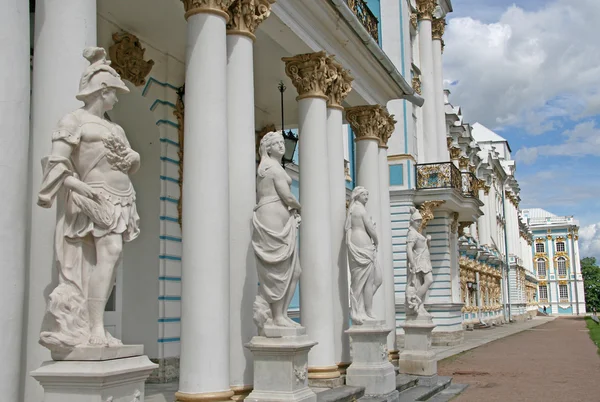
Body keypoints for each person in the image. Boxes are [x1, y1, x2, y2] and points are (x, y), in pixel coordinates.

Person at [37, 47, 140, 351]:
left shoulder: (116, 127)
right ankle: (95, 326)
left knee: (111, 258)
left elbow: (131, 162)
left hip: (122, 197)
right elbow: (54, 164)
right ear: (102, 90)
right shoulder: (73, 121)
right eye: (114, 93)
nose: (116, 99)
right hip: (95, 196)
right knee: (109, 253)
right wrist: (79, 188)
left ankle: (94, 324)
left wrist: (133, 157)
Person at [252, 131, 302, 332]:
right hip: (271, 220)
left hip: (281, 221)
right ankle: (277, 315)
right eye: (277, 143)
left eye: (283, 142)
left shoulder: (274, 166)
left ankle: (280, 314)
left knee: (295, 271)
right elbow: (287, 196)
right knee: (276, 270)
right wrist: (300, 207)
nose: (282, 146)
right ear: (268, 147)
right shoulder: (270, 167)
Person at [345, 186, 382, 324]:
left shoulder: (353, 209)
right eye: (364, 194)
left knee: (370, 280)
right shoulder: (360, 209)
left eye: (368, 194)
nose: (367, 197)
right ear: (358, 196)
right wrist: (377, 240)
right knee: (368, 281)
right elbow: (370, 228)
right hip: (363, 244)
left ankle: (361, 307)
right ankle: (367, 310)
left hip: (357, 242)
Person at [405, 207, 434, 318]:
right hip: (419, 261)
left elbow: (425, 247)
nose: (419, 223)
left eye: (420, 221)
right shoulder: (412, 233)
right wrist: (412, 263)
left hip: (424, 260)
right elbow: (409, 248)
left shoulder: (417, 233)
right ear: (412, 221)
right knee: (428, 281)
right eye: (417, 221)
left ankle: (420, 306)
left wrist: (428, 241)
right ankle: (415, 299)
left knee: (422, 283)